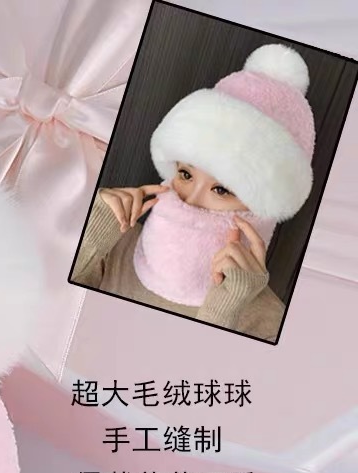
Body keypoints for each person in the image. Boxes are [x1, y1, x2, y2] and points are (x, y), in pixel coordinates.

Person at [71, 43, 317, 343]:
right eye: (186, 174)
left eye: (221, 189)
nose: (189, 200)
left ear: (261, 211)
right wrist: (90, 235)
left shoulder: (269, 320)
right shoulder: (112, 242)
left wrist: (225, 309)